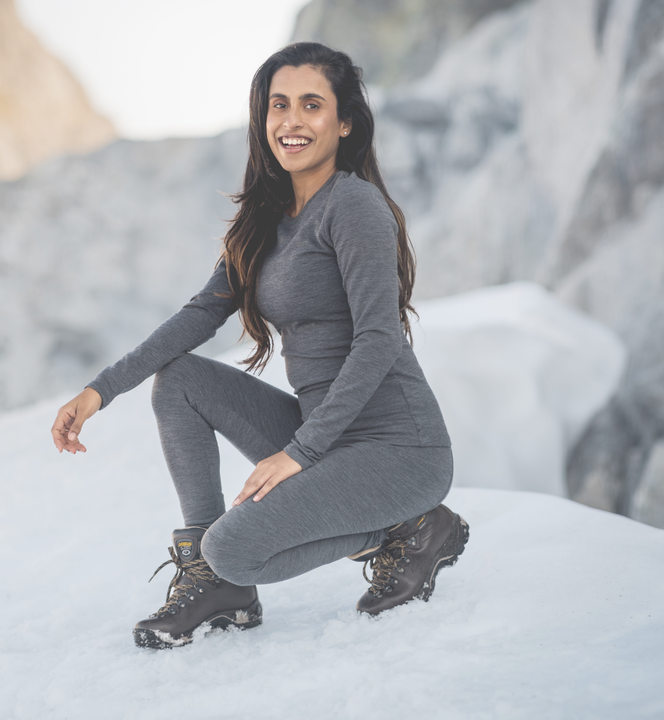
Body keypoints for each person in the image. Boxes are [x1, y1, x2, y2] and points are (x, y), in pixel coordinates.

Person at [51, 42, 467, 650]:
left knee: (235, 546)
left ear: (344, 122)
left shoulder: (354, 206)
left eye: (311, 105)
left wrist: (299, 453)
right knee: (184, 380)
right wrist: (100, 390)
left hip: (398, 449)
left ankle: (412, 525)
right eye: (278, 105)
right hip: (327, 437)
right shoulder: (268, 216)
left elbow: (379, 340)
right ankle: (216, 586)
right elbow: (200, 314)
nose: (291, 120)